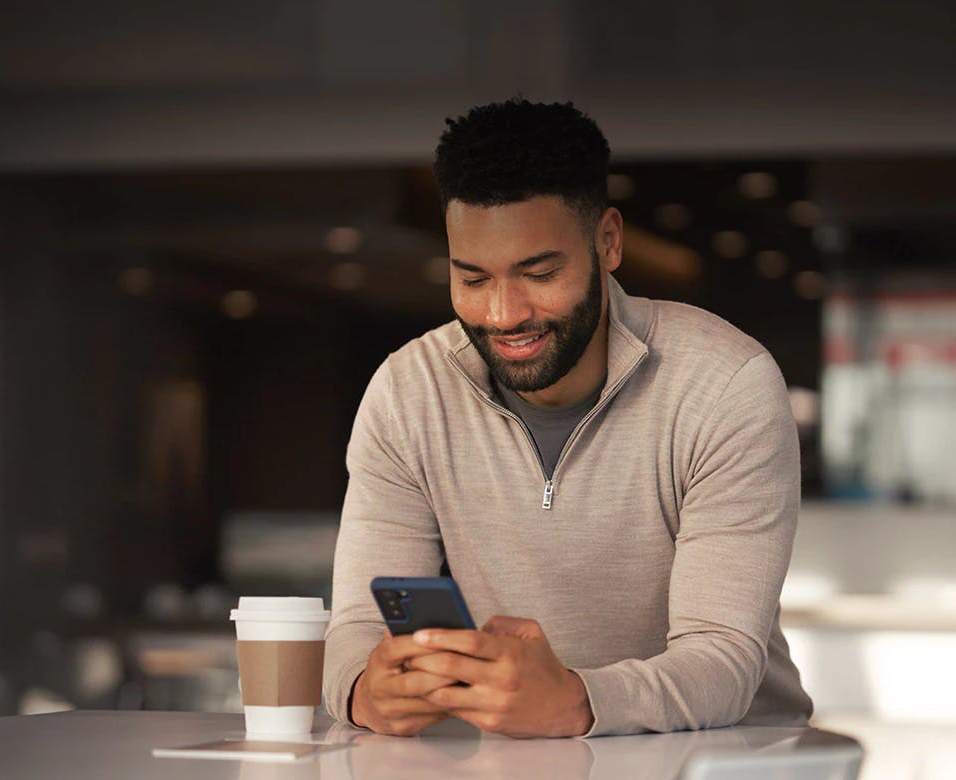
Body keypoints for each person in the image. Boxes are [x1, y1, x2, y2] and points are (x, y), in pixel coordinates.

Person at [322, 99, 814, 738]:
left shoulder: (723, 384)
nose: (503, 314)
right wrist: (364, 689)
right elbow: (357, 628)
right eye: (472, 279)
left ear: (607, 242)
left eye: (540, 272)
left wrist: (579, 701)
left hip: (724, 760)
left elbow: (723, 658)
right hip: (524, 760)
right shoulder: (407, 393)